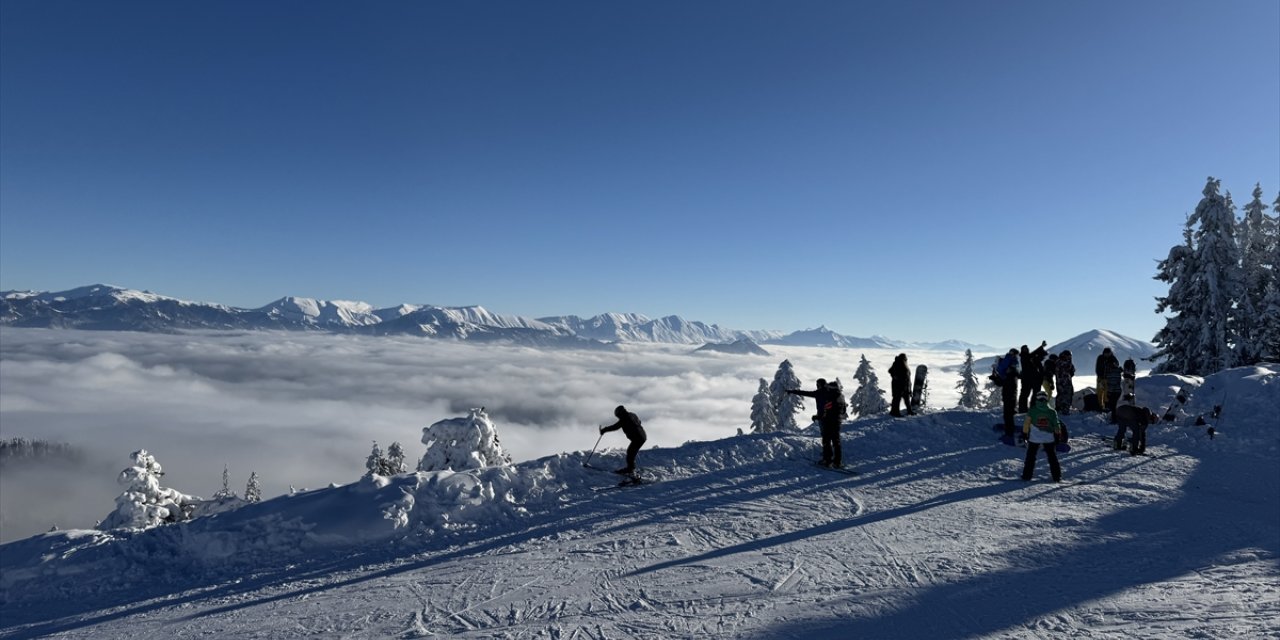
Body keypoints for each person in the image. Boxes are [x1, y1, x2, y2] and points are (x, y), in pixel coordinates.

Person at [788, 378, 847, 467]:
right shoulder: (840, 395)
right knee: (836, 441)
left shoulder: (823, 393)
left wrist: (818, 416)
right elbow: (843, 410)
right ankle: (837, 462)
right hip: (837, 421)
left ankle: (827, 460)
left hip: (826, 420)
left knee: (826, 440)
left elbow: (808, 394)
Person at [1021, 392, 1063, 482]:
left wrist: (1025, 433)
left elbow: (1026, 423)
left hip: (1034, 438)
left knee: (1031, 457)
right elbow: (1056, 424)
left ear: (1037, 399)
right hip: (1049, 438)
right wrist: (1058, 435)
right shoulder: (1052, 411)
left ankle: (1026, 476)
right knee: (1052, 457)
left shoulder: (1032, 410)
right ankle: (1057, 476)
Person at [600, 405, 647, 475]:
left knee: (630, 452)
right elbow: (639, 422)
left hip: (637, 438)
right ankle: (631, 468)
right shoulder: (632, 414)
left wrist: (604, 430)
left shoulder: (624, 419)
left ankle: (630, 470)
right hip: (642, 436)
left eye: (618, 415)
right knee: (631, 452)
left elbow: (615, 427)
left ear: (620, 413)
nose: (618, 417)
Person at [993, 349, 1021, 442]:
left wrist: (995, 378)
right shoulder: (1013, 373)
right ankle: (1010, 429)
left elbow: (1001, 383)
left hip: (1009, 395)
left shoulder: (1009, 374)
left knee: (1008, 414)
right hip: (1011, 394)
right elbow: (1003, 383)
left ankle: (1009, 431)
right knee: (1009, 413)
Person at [1018, 342, 1048, 413]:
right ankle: (1024, 409)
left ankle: (1027, 408)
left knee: (1030, 394)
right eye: (1025, 349)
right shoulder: (1025, 357)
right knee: (1025, 394)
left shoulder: (1028, 358)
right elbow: (1033, 354)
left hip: (1031, 379)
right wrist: (1041, 347)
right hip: (1028, 379)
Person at [1055, 350, 1076, 415]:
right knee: (1066, 395)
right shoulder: (1062, 362)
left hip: (1062, 381)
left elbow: (1071, 370)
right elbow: (1069, 368)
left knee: (1061, 395)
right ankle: (1065, 409)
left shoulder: (1058, 361)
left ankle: (1059, 408)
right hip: (1064, 381)